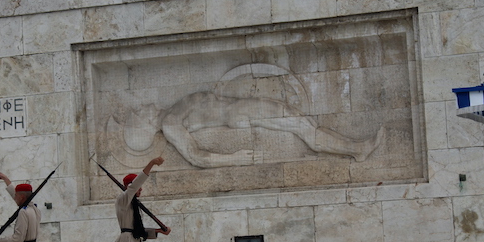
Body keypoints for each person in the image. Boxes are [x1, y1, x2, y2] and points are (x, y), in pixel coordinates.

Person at [120, 91, 384, 168]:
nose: (144, 106)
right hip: (242, 112)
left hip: (242, 107)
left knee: (304, 123)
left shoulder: (174, 109)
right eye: (139, 113)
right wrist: (233, 159)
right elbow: (195, 156)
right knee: (302, 125)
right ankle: (356, 149)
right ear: (146, 125)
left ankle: (355, 149)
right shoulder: (169, 123)